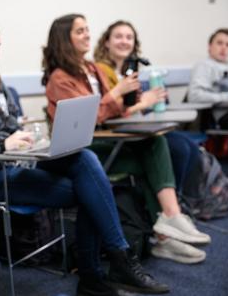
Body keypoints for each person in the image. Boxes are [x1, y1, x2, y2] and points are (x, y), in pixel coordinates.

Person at [0, 16, 169, 296]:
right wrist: (3, 144)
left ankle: (107, 267)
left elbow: (11, 124)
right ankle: (102, 270)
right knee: (89, 189)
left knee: (84, 161)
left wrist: (30, 136)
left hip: (16, 159)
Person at [42, 14, 211, 266]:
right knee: (154, 151)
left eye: (87, 29)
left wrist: (130, 97)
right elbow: (89, 117)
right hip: (82, 150)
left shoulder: (91, 69)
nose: (87, 34)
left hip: (100, 140)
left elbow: (114, 111)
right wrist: (116, 93)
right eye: (79, 31)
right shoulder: (60, 78)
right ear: (64, 38)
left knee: (155, 144)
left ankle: (167, 224)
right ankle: (166, 229)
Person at [93, 20, 201, 194]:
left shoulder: (129, 72)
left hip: (134, 126)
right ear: (106, 42)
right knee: (179, 150)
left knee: (190, 147)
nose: (124, 41)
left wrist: (148, 100)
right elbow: (110, 111)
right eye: (118, 36)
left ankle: (178, 200)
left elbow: (131, 105)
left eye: (129, 37)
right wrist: (144, 102)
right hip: (114, 134)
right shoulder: (101, 71)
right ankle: (167, 205)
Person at [187, 28, 228, 129]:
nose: (224, 48)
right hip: (226, 115)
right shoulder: (203, 66)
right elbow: (194, 96)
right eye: (219, 43)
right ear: (210, 46)